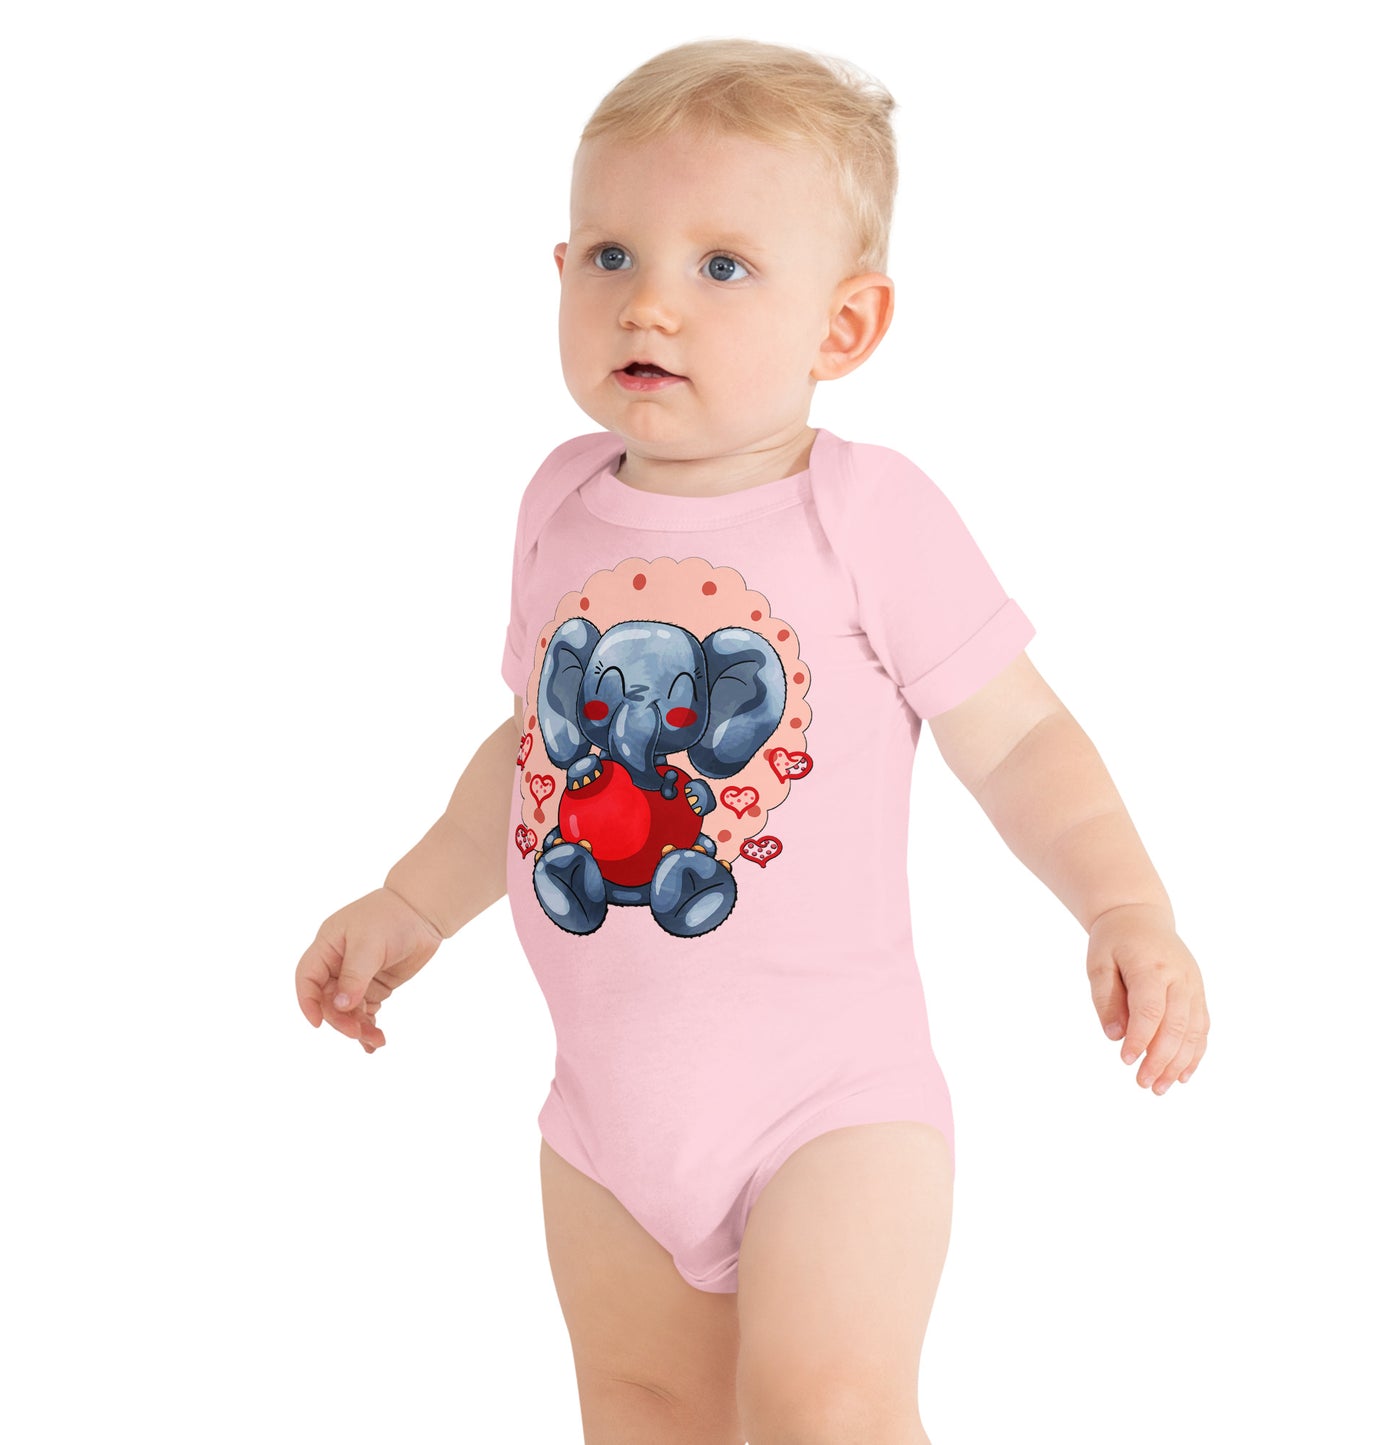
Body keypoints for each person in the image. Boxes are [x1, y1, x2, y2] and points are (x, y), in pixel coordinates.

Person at [294, 37, 1209, 1445]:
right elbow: (536, 752)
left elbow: (1020, 735)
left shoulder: (865, 513)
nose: (650, 299)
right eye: (611, 255)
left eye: (721, 265)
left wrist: (1124, 904)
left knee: (826, 1412)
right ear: (558, 272)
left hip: (829, 1107)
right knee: (643, 1412)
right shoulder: (558, 503)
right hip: (605, 1119)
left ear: (843, 328)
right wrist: (414, 898)